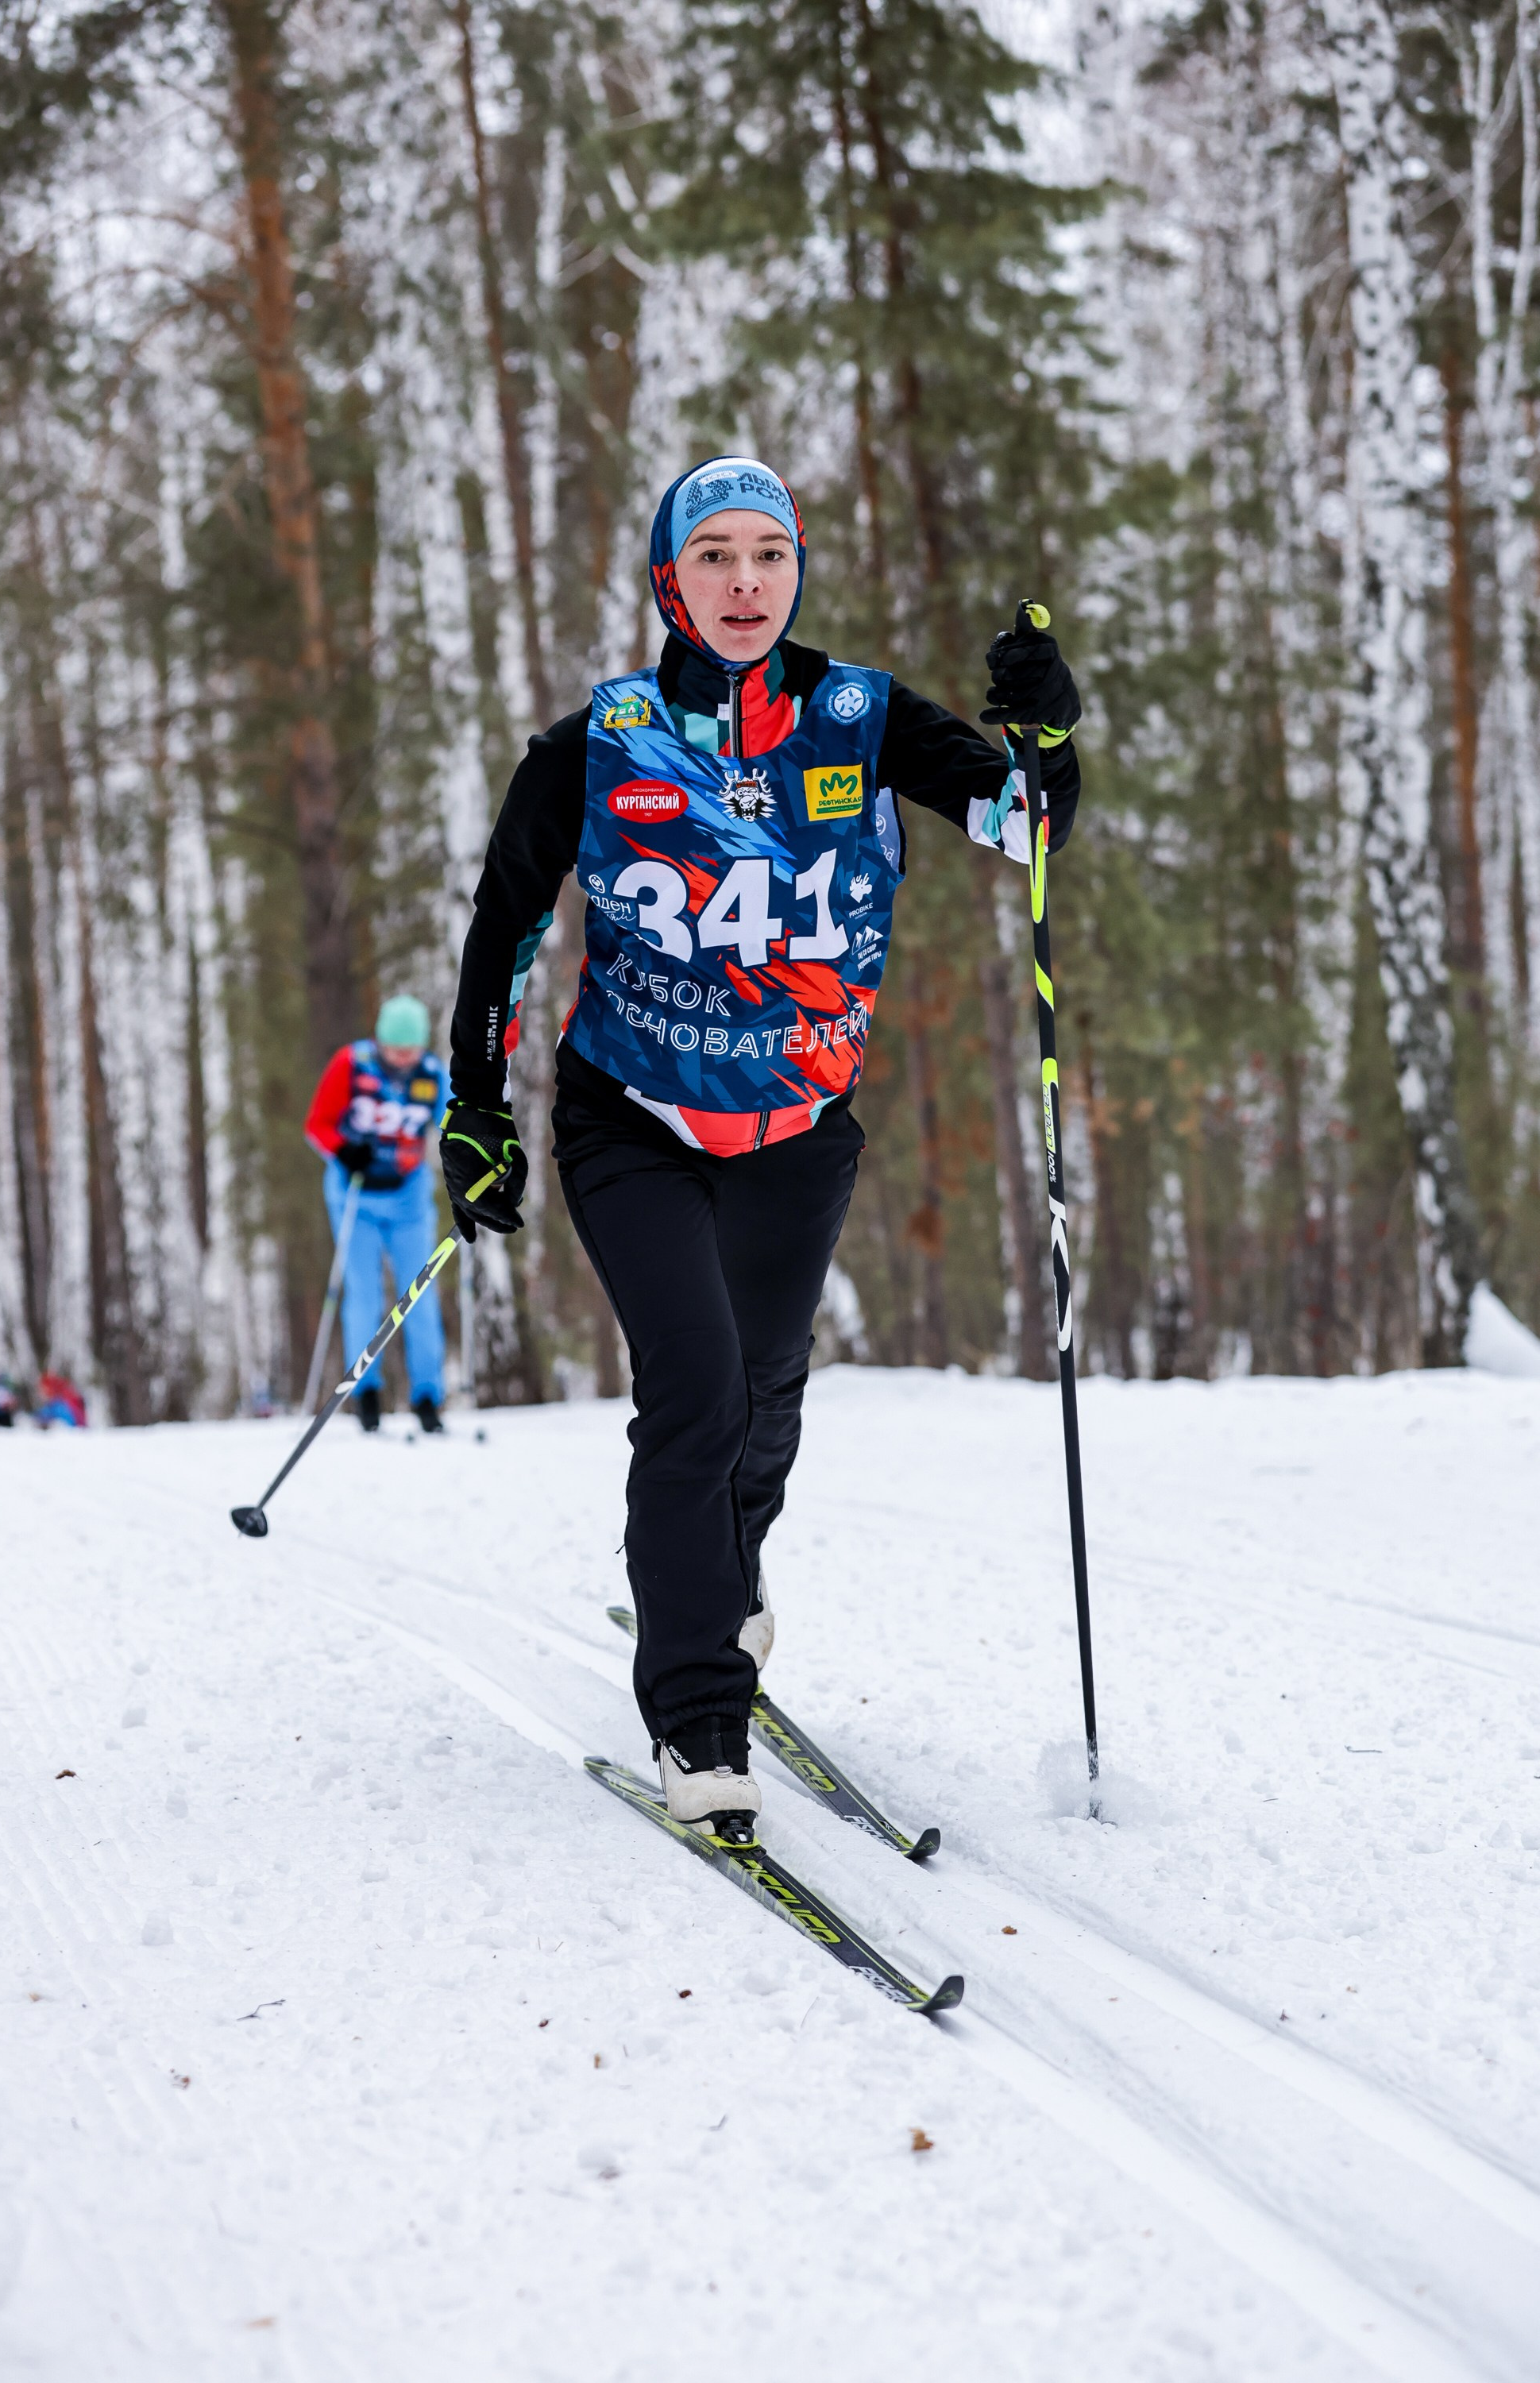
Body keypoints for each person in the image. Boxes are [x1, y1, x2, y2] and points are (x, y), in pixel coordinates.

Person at [442, 456, 1082, 1832]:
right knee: (699, 1391)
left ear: (797, 569)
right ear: (670, 580)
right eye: (715, 556)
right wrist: (474, 1109)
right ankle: (698, 1719)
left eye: (769, 555)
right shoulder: (596, 745)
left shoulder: (862, 717)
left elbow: (1027, 830)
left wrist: (1049, 739)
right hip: (634, 1119)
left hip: (797, 1123)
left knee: (766, 1401)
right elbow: (505, 927)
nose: (746, 582)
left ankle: (725, 1576)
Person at [305, 994, 450, 1434]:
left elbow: (453, 1125)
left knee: (418, 1294)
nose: (403, 1060)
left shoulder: (432, 1074)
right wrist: (344, 1151)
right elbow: (318, 1125)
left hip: (408, 1197)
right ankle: (366, 1394)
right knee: (364, 1295)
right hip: (355, 1196)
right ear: (380, 1041)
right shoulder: (352, 1064)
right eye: (395, 1050)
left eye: (411, 1051)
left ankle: (428, 1398)